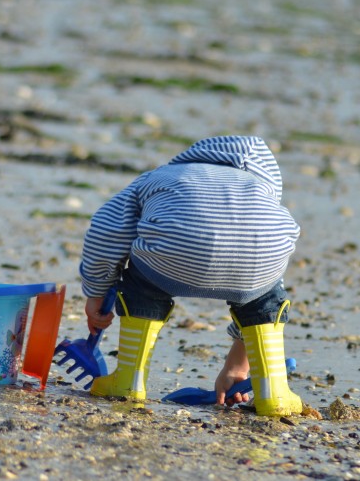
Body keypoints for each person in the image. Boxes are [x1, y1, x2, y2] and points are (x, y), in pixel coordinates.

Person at [80, 135, 303, 416]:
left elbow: (106, 229)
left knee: (142, 284)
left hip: (171, 255)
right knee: (263, 298)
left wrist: (97, 291)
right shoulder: (261, 190)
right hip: (260, 260)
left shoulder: (161, 176)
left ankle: (128, 382)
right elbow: (270, 272)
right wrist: (237, 367)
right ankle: (274, 394)